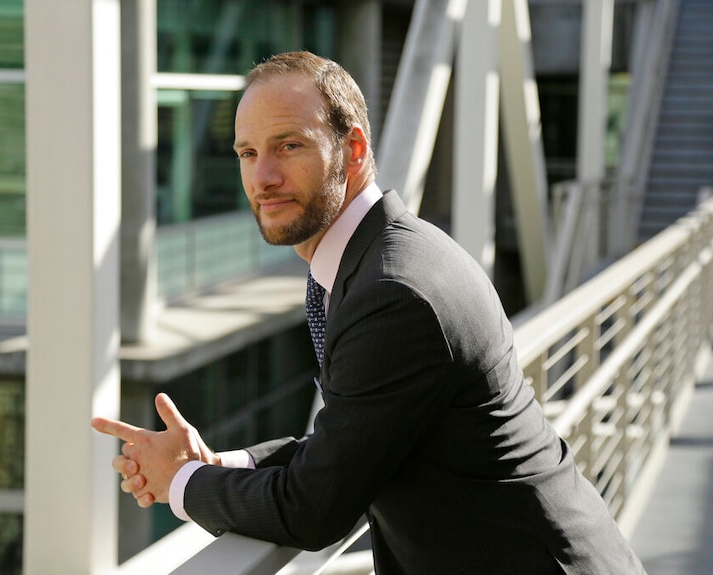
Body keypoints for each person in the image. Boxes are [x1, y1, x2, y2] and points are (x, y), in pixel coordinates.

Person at [92, 50, 646, 574]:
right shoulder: (377, 258)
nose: (262, 177)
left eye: (289, 146)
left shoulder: (394, 292)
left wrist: (182, 481)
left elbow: (314, 508)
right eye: (248, 153)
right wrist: (220, 465)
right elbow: (356, 433)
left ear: (353, 150)